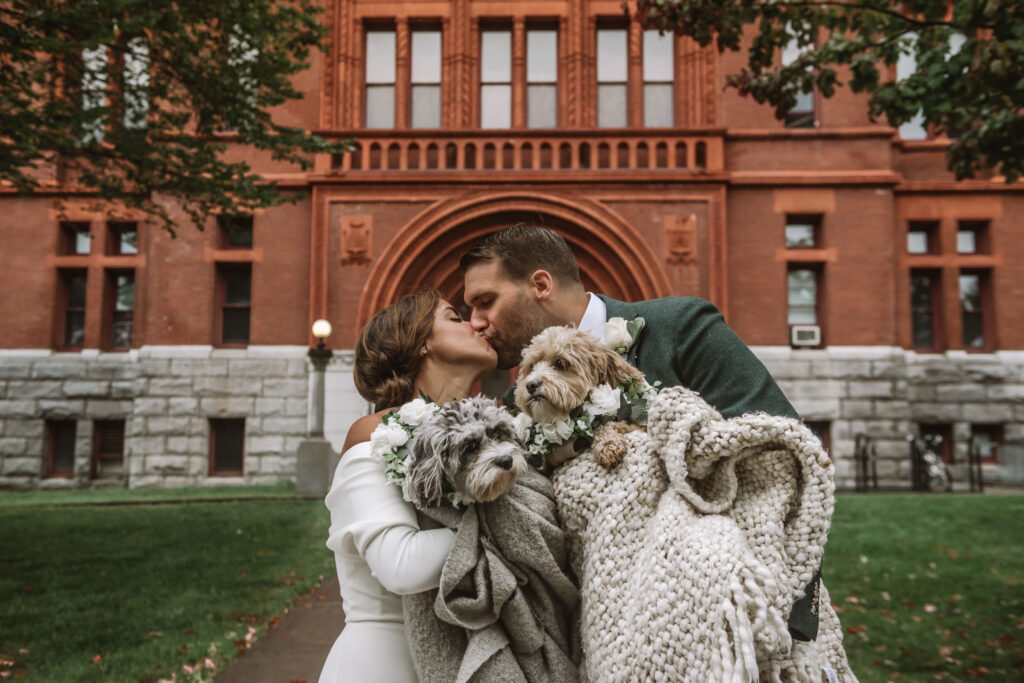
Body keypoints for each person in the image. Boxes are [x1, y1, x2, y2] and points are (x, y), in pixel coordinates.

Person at [459, 223, 820, 643]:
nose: (475, 323)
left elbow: (787, 456)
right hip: (597, 639)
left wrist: (787, 615)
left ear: (541, 284)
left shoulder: (680, 327)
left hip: (730, 623)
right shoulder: (515, 409)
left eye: (485, 302)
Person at [318, 290, 498, 683]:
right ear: (421, 344)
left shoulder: (495, 440)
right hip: (383, 663)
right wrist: (505, 522)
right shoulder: (375, 434)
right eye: (455, 317)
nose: (477, 323)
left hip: (462, 659)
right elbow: (400, 565)